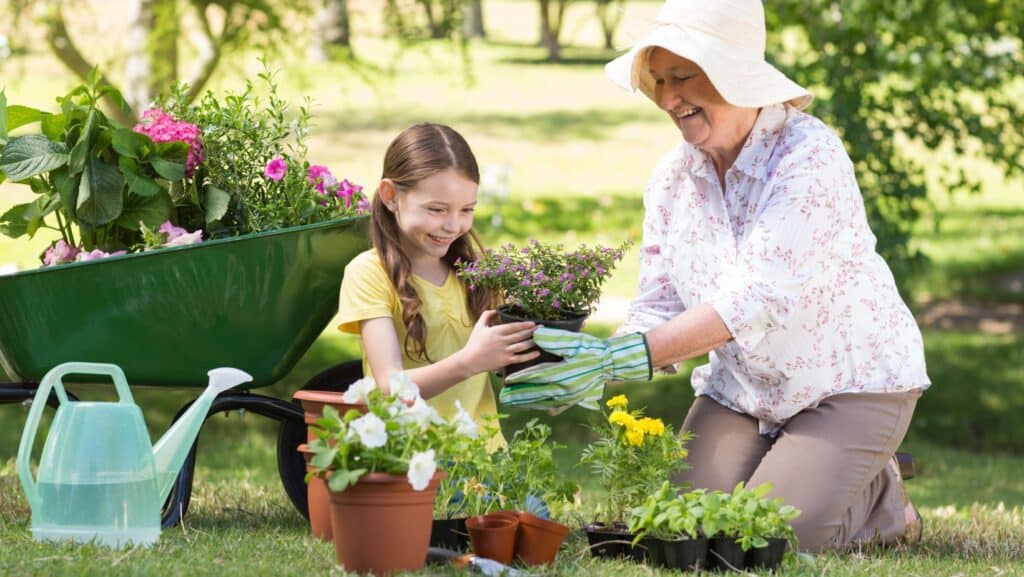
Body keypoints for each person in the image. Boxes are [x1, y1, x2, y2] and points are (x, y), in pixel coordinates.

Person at [501, 0, 930, 551]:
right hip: (744, 390)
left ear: (738, 76)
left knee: (768, 540)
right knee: (679, 531)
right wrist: (594, 366)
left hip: (848, 384)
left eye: (684, 77)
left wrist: (621, 358)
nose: (668, 98)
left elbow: (754, 301)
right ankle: (820, 471)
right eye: (658, 80)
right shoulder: (671, 179)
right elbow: (658, 302)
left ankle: (883, 497)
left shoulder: (809, 157)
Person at [337, 123, 539, 449]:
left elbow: (513, 360)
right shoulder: (369, 273)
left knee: (538, 504)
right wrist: (469, 362)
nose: (453, 225)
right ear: (391, 196)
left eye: (467, 210)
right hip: (413, 462)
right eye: (436, 209)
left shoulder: (478, 271)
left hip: (488, 459)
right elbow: (388, 388)